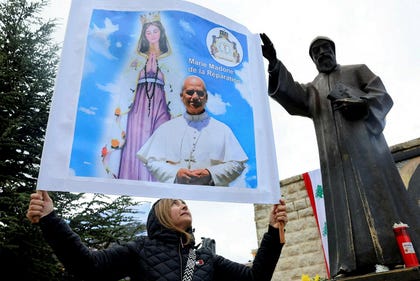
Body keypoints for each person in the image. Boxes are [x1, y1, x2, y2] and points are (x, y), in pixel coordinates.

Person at [260, 34, 420, 278]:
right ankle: (350, 263)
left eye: (326, 48)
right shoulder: (313, 90)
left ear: (334, 50)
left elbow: (382, 95)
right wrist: (274, 64)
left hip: (368, 155)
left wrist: (363, 104)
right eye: (317, 52)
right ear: (313, 59)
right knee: (343, 209)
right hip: (334, 163)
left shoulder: (357, 71)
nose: (322, 53)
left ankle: (392, 255)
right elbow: (291, 94)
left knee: (379, 202)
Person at [27, 191, 287, 281]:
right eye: (174, 203)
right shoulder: (139, 249)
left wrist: (274, 232)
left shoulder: (206, 258)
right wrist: (50, 219)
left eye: (184, 201)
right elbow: (87, 266)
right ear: (160, 215)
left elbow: (256, 277)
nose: (183, 205)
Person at [137, 75, 248, 186]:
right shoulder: (166, 128)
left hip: (210, 196)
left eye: (200, 93)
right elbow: (151, 161)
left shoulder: (222, 129)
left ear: (206, 97)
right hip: (175, 193)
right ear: (181, 96)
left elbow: (238, 164)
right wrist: (175, 173)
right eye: (190, 92)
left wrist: (211, 174)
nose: (195, 97)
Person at [117, 12, 171, 181]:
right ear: (144, 35)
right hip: (139, 103)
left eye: (155, 31)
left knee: (161, 140)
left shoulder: (170, 57)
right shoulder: (137, 57)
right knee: (137, 140)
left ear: (161, 33)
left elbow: (175, 81)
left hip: (162, 102)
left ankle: (156, 179)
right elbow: (127, 78)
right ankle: (135, 178)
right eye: (148, 32)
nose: (152, 35)